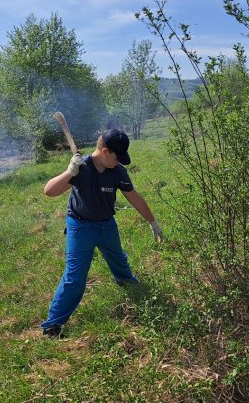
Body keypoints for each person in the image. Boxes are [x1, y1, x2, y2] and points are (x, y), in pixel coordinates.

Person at [41, 129, 163, 338]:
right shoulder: (81, 167)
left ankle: (127, 283)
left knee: (119, 260)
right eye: (118, 157)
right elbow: (49, 191)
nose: (120, 162)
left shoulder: (118, 172)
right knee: (75, 277)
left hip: (106, 224)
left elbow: (135, 198)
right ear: (105, 151)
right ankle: (53, 325)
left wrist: (153, 222)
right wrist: (70, 172)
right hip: (80, 226)